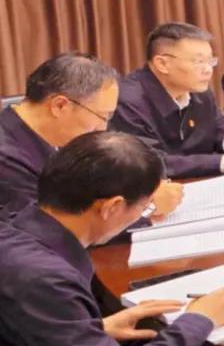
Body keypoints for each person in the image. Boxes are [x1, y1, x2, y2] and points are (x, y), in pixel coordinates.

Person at [0, 131, 224, 346]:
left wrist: (96, 329)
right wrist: (200, 319)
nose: (141, 216)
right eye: (144, 208)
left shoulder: (16, 234)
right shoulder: (44, 278)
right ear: (111, 207)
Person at [0, 52, 182, 220]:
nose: (103, 128)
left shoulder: (55, 134)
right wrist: (144, 209)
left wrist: (144, 189)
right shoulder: (7, 156)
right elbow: (45, 225)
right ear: (60, 106)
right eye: (103, 116)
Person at [111, 22, 224, 178]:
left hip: (202, 181)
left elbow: (220, 131)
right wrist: (223, 163)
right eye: (199, 62)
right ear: (162, 64)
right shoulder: (127, 100)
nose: (208, 70)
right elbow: (148, 161)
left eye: (210, 61)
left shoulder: (200, 93)